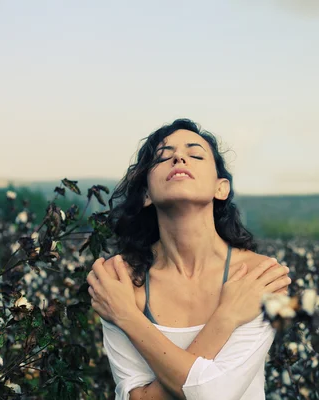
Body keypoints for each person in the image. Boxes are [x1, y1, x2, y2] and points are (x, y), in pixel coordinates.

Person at [86, 119, 291, 400]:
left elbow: (214, 395)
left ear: (221, 189)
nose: (179, 157)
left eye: (195, 154)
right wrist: (228, 316)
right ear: (146, 193)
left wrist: (127, 316)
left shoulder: (261, 276)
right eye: (162, 157)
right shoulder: (120, 279)